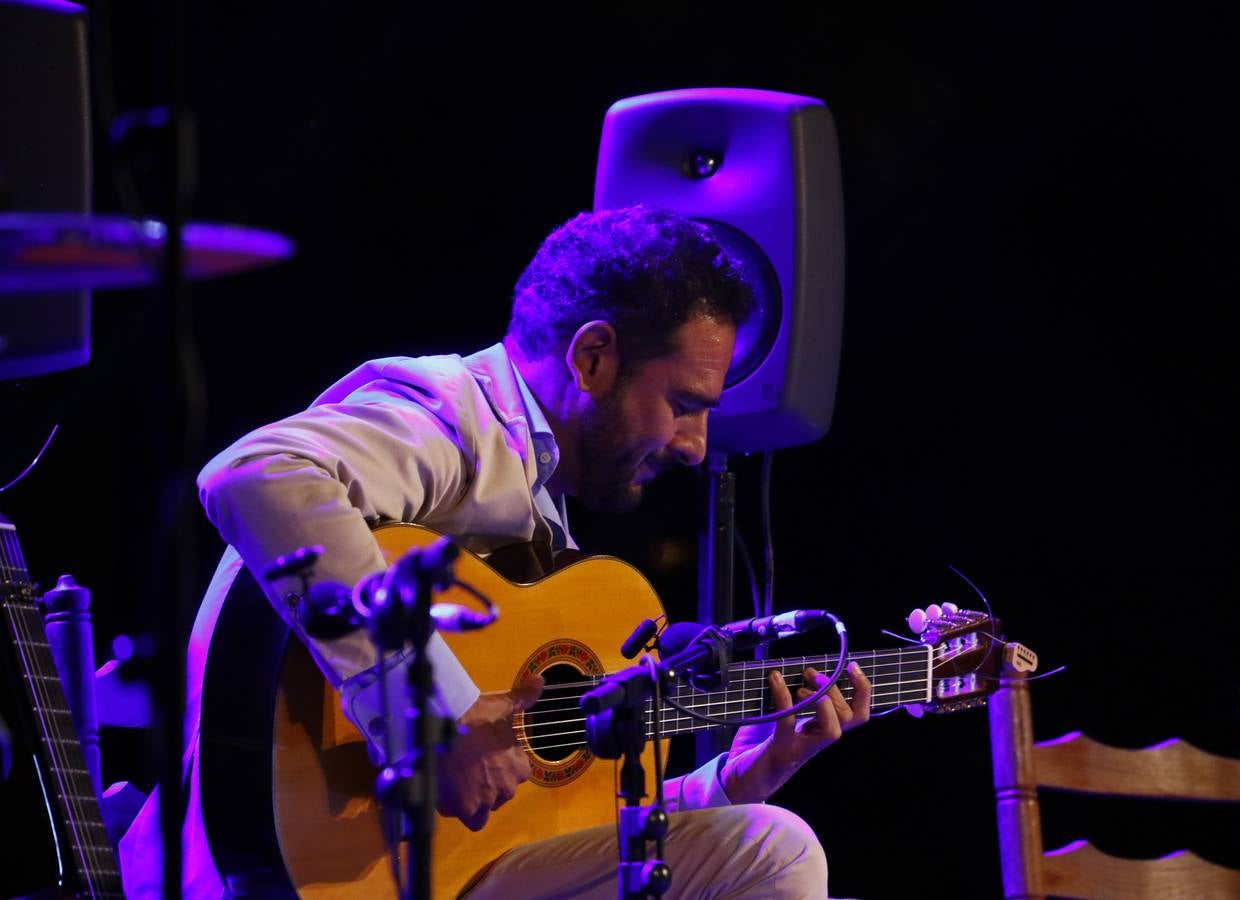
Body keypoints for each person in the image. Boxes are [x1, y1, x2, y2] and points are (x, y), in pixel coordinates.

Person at [119, 204, 871, 898]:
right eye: (682, 404)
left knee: (760, 844)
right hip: (281, 868)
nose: (695, 446)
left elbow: (549, 824)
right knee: (776, 853)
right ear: (593, 359)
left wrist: (735, 779)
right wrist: (432, 717)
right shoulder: (452, 418)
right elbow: (258, 473)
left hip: (438, 873)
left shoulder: (542, 522)